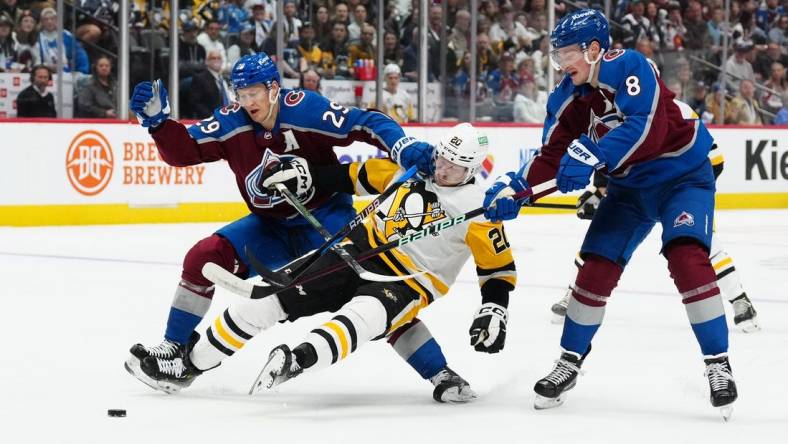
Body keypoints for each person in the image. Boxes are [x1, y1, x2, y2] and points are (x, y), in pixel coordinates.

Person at [124, 52, 441, 398]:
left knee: (369, 290)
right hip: (270, 228)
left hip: (326, 219)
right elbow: (184, 151)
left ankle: (438, 371)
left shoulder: (305, 109)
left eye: (253, 93)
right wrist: (159, 125)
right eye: (240, 95)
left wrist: (401, 145)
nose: (246, 103)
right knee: (202, 258)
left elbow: (364, 121)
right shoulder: (232, 121)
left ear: (274, 88)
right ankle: (174, 350)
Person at [135, 123, 517, 403]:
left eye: (455, 166)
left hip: (408, 280)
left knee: (361, 319)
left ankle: (295, 361)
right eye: (441, 158)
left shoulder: (480, 210)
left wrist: (494, 309)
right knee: (264, 301)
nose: (443, 169)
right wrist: (303, 176)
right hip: (355, 249)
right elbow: (351, 175)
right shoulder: (411, 169)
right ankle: (189, 366)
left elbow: (497, 268)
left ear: (472, 170)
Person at [483, 9, 738, 417]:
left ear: (595, 49)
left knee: (686, 257)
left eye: (567, 53)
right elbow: (550, 155)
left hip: (683, 176)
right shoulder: (565, 98)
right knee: (594, 267)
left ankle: (718, 365)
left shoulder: (630, 66)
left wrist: (593, 154)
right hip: (629, 190)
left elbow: (645, 125)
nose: (561, 64)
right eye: (557, 54)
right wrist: (518, 188)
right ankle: (568, 361)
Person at [550, 143, 761, 333]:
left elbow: (715, 158)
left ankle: (740, 300)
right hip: (637, 196)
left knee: (703, 246)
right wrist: (599, 192)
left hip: (679, 194)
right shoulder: (623, 114)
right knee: (601, 244)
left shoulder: (679, 113)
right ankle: (574, 294)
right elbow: (612, 154)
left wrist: (691, 190)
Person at [35, 7, 89, 75]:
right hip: (45, 75)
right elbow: (35, 61)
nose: (49, 21)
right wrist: (47, 67)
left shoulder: (66, 35)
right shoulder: (37, 38)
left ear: (57, 20)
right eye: (46, 19)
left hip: (66, 75)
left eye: (52, 19)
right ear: (42, 22)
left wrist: (81, 72)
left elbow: (79, 54)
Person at [189, 50, 233, 118]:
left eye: (219, 58)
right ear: (207, 61)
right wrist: (212, 116)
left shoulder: (225, 79)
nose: (216, 60)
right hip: (211, 120)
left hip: (229, 118)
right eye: (213, 58)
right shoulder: (200, 78)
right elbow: (195, 103)